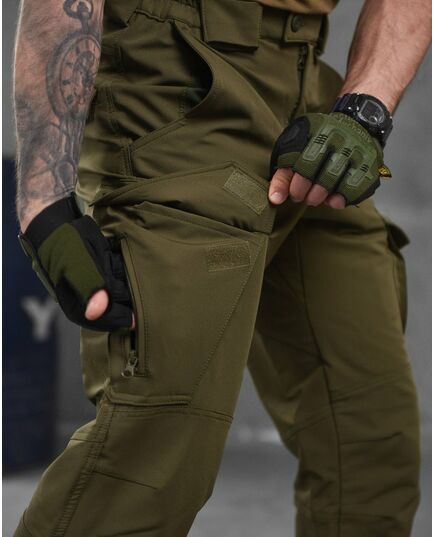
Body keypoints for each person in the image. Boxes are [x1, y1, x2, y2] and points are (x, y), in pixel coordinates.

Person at [13, 0, 430, 535]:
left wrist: (364, 110)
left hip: (315, 96)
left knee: (372, 442)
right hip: (178, 78)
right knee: (149, 458)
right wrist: (43, 198)